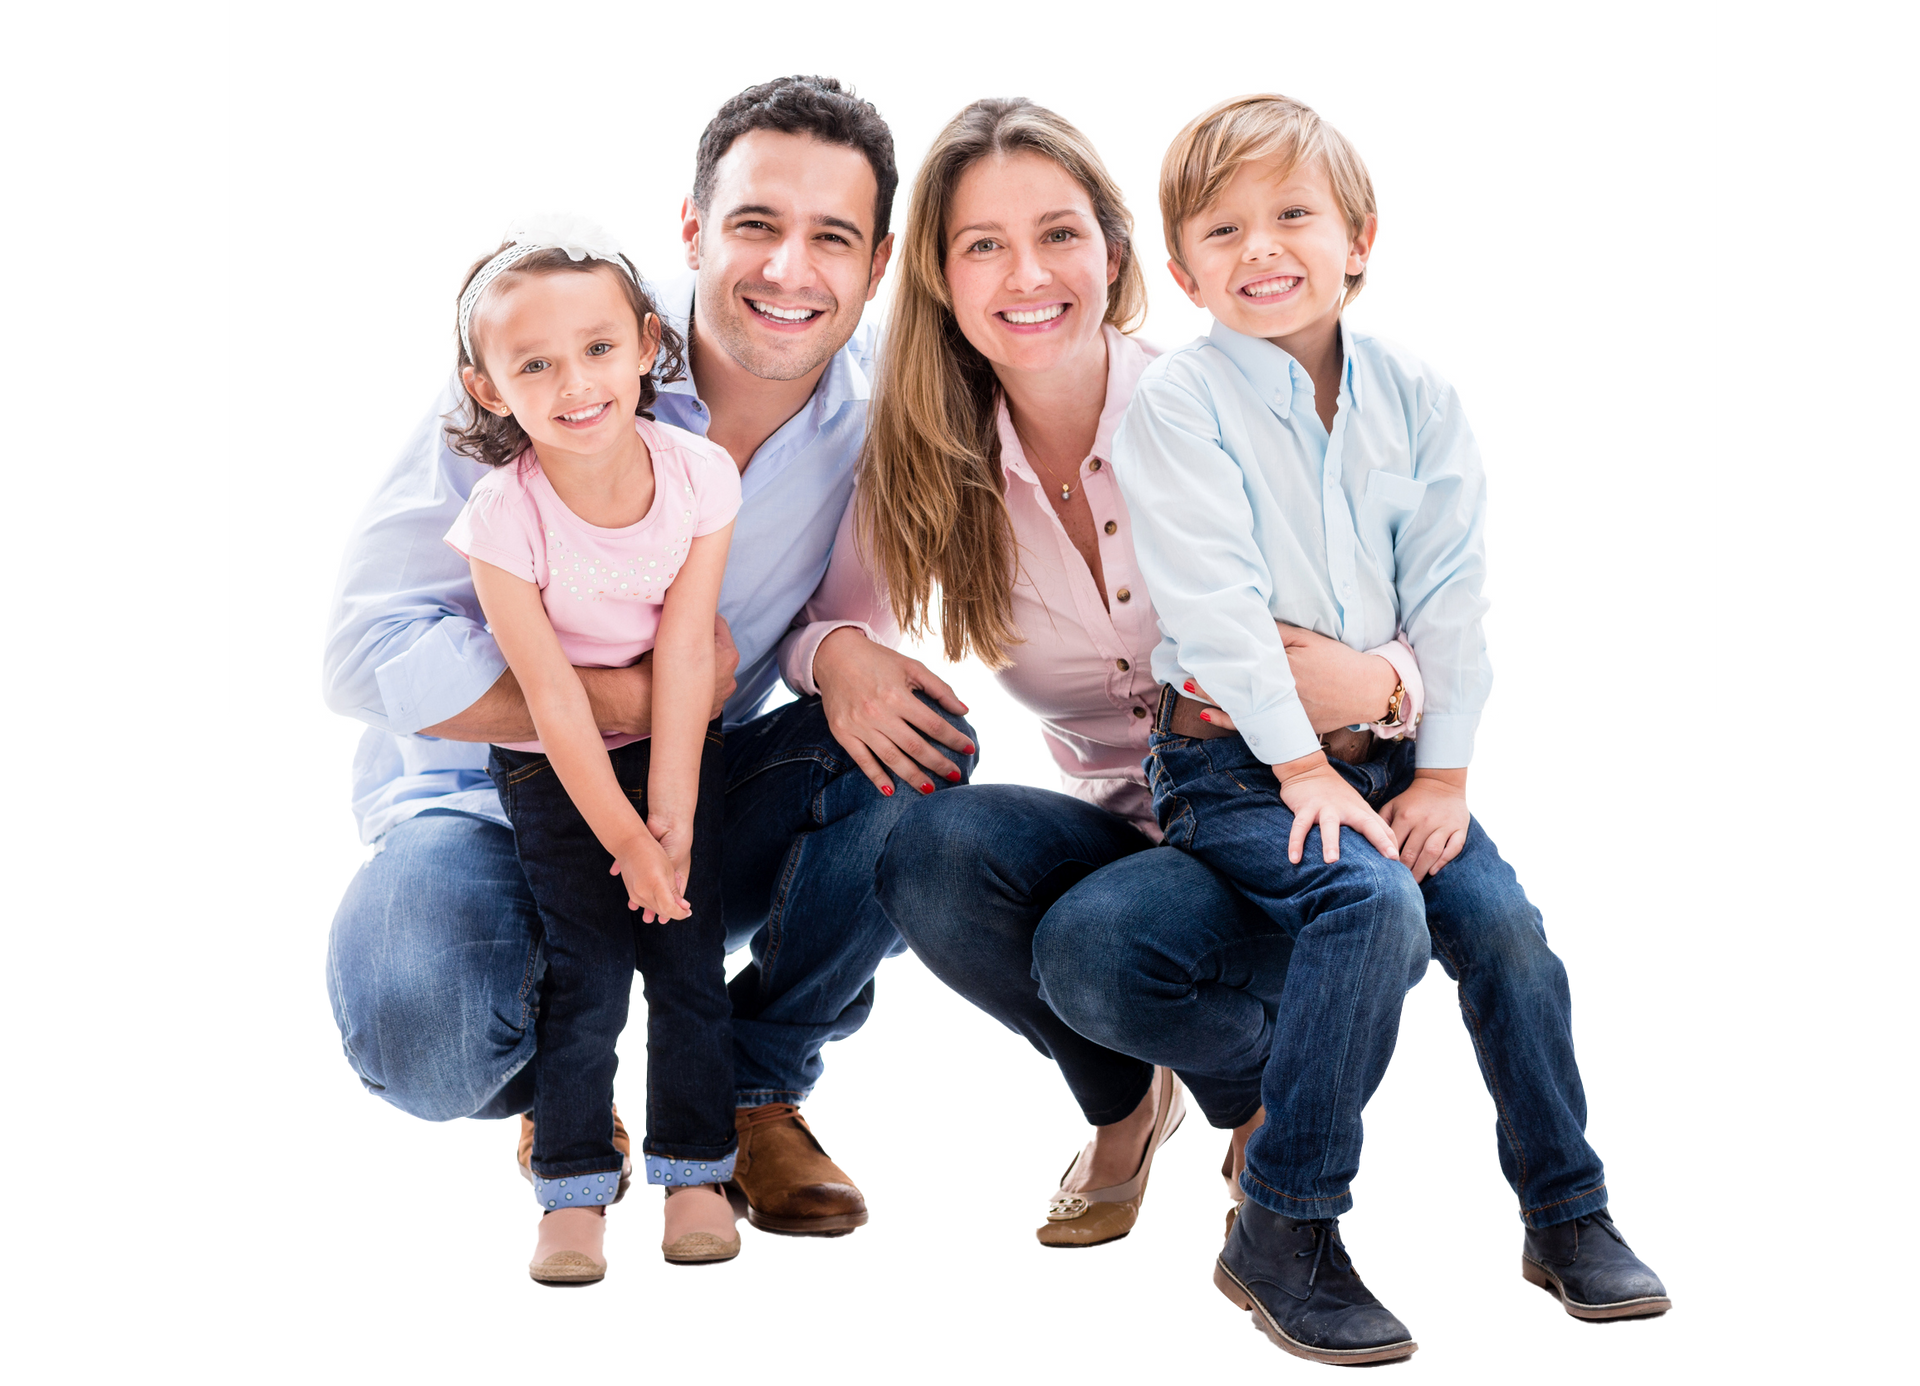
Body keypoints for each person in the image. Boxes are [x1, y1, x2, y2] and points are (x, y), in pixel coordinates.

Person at [322, 77, 978, 1249]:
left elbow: (815, 619)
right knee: (421, 1034)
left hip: (695, 791)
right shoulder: (556, 355)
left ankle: (747, 1082)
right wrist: (629, 695)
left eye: (832, 237)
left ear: (878, 264)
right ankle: (563, 1092)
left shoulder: (880, 414)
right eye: (755, 226)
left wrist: (841, 652)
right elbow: (365, 651)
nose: (790, 270)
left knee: (929, 744)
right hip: (486, 800)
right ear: (691, 227)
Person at [780, 97, 1422, 1268]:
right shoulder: (933, 458)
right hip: (1126, 831)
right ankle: (1129, 1103)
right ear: (938, 276)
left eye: (1059, 234)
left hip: (1287, 834)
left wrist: (1381, 683)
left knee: (1096, 948)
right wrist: (839, 654)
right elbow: (818, 613)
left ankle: (1243, 1097)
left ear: (1116, 256)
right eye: (984, 244)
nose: (1028, 273)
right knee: (923, 847)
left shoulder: (1228, 410)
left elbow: (1432, 605)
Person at [1112, 93, 1674, 1365]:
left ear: (1359, 236)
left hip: (1396, 762)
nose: (1262, 250)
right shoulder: (1179, 407)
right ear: (1183, 266)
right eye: (1224, 229)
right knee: (1373, 909)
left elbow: (1454, 596)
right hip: (1234, 767)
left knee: (1510, 935)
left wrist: (1448, 778)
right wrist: (1303, 767)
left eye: (1293, 216)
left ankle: (1567, 1215)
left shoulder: (1416, 396)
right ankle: (1284, 1225)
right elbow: (1217, 609)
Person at [442, 219, 744, 1284]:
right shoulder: (502, 518)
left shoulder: (701, 477)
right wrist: (621, 837)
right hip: (551, 759)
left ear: (649, 342)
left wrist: (670, 825)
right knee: (591, 971)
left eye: (600, 348)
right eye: (535, 364)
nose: (576, 382)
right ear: (492, 391)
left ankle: (697, 1171)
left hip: (671, 741)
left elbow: (688, 656)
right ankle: (570, 1190)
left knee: (688, 966)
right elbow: (555, 704)